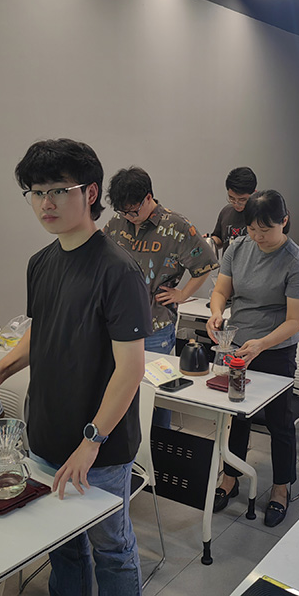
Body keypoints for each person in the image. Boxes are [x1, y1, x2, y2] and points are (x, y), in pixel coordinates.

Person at [0, 139, 151, 596]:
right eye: (35, 192)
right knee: (63, 546)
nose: (45, 203)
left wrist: (92, 441)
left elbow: (130, 369)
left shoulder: (118, 270)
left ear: (90, 193)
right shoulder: (41, 263)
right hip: (46, 436)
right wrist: (4, 368)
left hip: (99, 448)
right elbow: (41, 329)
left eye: (57, 190)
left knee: (111, 547)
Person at [206, 190, 299, 527]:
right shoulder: (238, 248)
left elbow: (294, 321)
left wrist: (262, 344)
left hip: (275, 349)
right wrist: (216, 313)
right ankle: (230, 478)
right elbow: (221, 290)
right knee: (236, 414)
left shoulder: (296, 262)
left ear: (284, 221)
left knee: (280, 420)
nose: (258, 237)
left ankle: (281, 487)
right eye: (252, 229)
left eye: (265, 230)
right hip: (238, 346)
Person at [103, 166, 218, 427]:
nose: (129, 217)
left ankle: (158, 443)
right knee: (119, 388)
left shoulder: (176, 225)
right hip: (118, 324)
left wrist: (182, 294)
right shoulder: (117, 223)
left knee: (158, 392)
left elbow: (206, 264)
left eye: (134, 211)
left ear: (148, 197)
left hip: (155, 324)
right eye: (123, 212)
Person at [210, 167, 257, 253]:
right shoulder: (226, 211)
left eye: (242, 200)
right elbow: (219, 239)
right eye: (231, 198)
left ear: (254, 193)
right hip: (228, 261)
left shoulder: (260, 214)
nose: (236, 204)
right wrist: (210, 241)